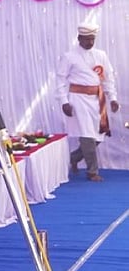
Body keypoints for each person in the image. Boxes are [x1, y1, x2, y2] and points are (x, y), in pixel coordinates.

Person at [55, 22, 120, 182]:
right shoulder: (69, 56)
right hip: (78, 100)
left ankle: (74, 158)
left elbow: (108, 78)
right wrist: (64, 101)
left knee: (98, 135)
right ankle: (92, 171)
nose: (90, 43)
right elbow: (60, 80)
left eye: (92, 39)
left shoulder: (101, 55)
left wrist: (113, 98)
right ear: (79, 38)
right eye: (87, 39)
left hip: (97, 100)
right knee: (86, 135)